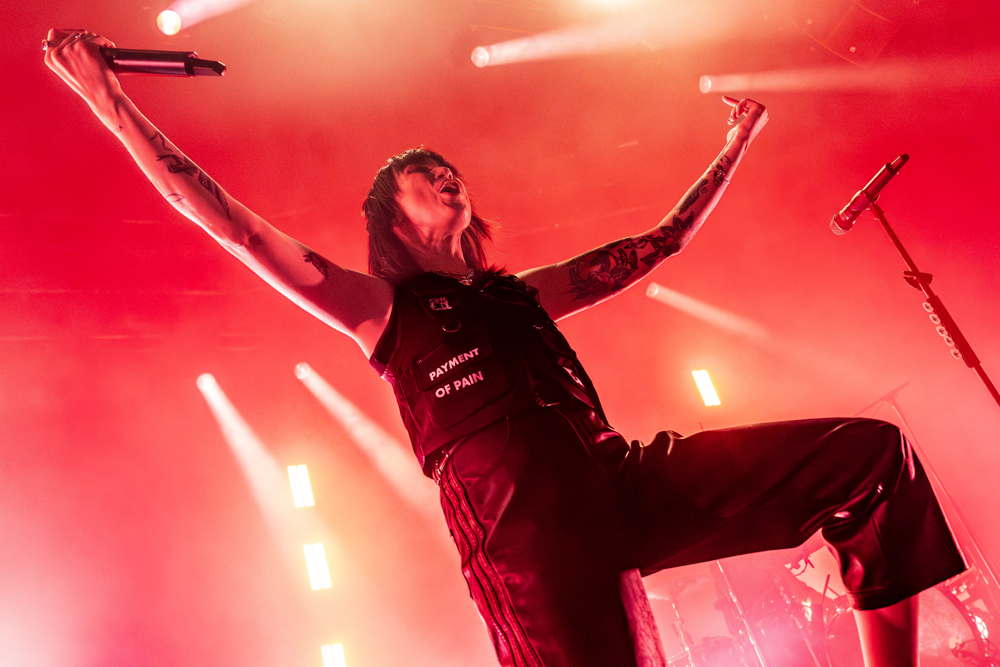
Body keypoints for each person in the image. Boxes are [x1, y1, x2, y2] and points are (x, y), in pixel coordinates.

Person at [46, 28, 965, 667]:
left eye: (449, 168)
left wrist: (739, 139)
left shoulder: (523, 294)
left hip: (617, 479)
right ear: (390, 215)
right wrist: (107, 98)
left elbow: (662, 242)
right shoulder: (379, 310)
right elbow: (232, 225)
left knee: (871, 459)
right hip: (525, 539)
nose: (445, 173)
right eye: (420, 174)